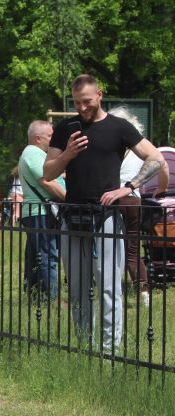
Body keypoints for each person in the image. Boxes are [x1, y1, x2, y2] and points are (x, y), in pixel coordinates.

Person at [44, 74, 165, 352]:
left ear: (100, 95)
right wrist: (67, 154)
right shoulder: (65, 129)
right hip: (73, 217)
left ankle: (110, 351)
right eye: (76, 102)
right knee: (77, 289)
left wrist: (129, 187)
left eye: (87, 101)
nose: (82, 107)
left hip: (107, 217)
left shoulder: (119, 127)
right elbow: (48, 173)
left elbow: (156, 158)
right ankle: (85, 347)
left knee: (108, 288)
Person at [110, 106, 168, 308]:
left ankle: (111, 291)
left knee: (108, 247)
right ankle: (144, 294)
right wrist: (161, 188)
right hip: (133, 200)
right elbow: (163, 165)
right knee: (132, 251)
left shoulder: (108, 144)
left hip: (111, 199)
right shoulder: (141, 146)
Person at [19, 120, 66, 298]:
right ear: (38, 138)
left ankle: (34, 294)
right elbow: (47, 181)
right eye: (50, 136)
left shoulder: (34, 153)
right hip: (40, 212)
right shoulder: (33, 153)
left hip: (38, 212)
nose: (53, 139)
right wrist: (69, 199)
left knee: (36, 256)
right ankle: (49, 297)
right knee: (47, 256)